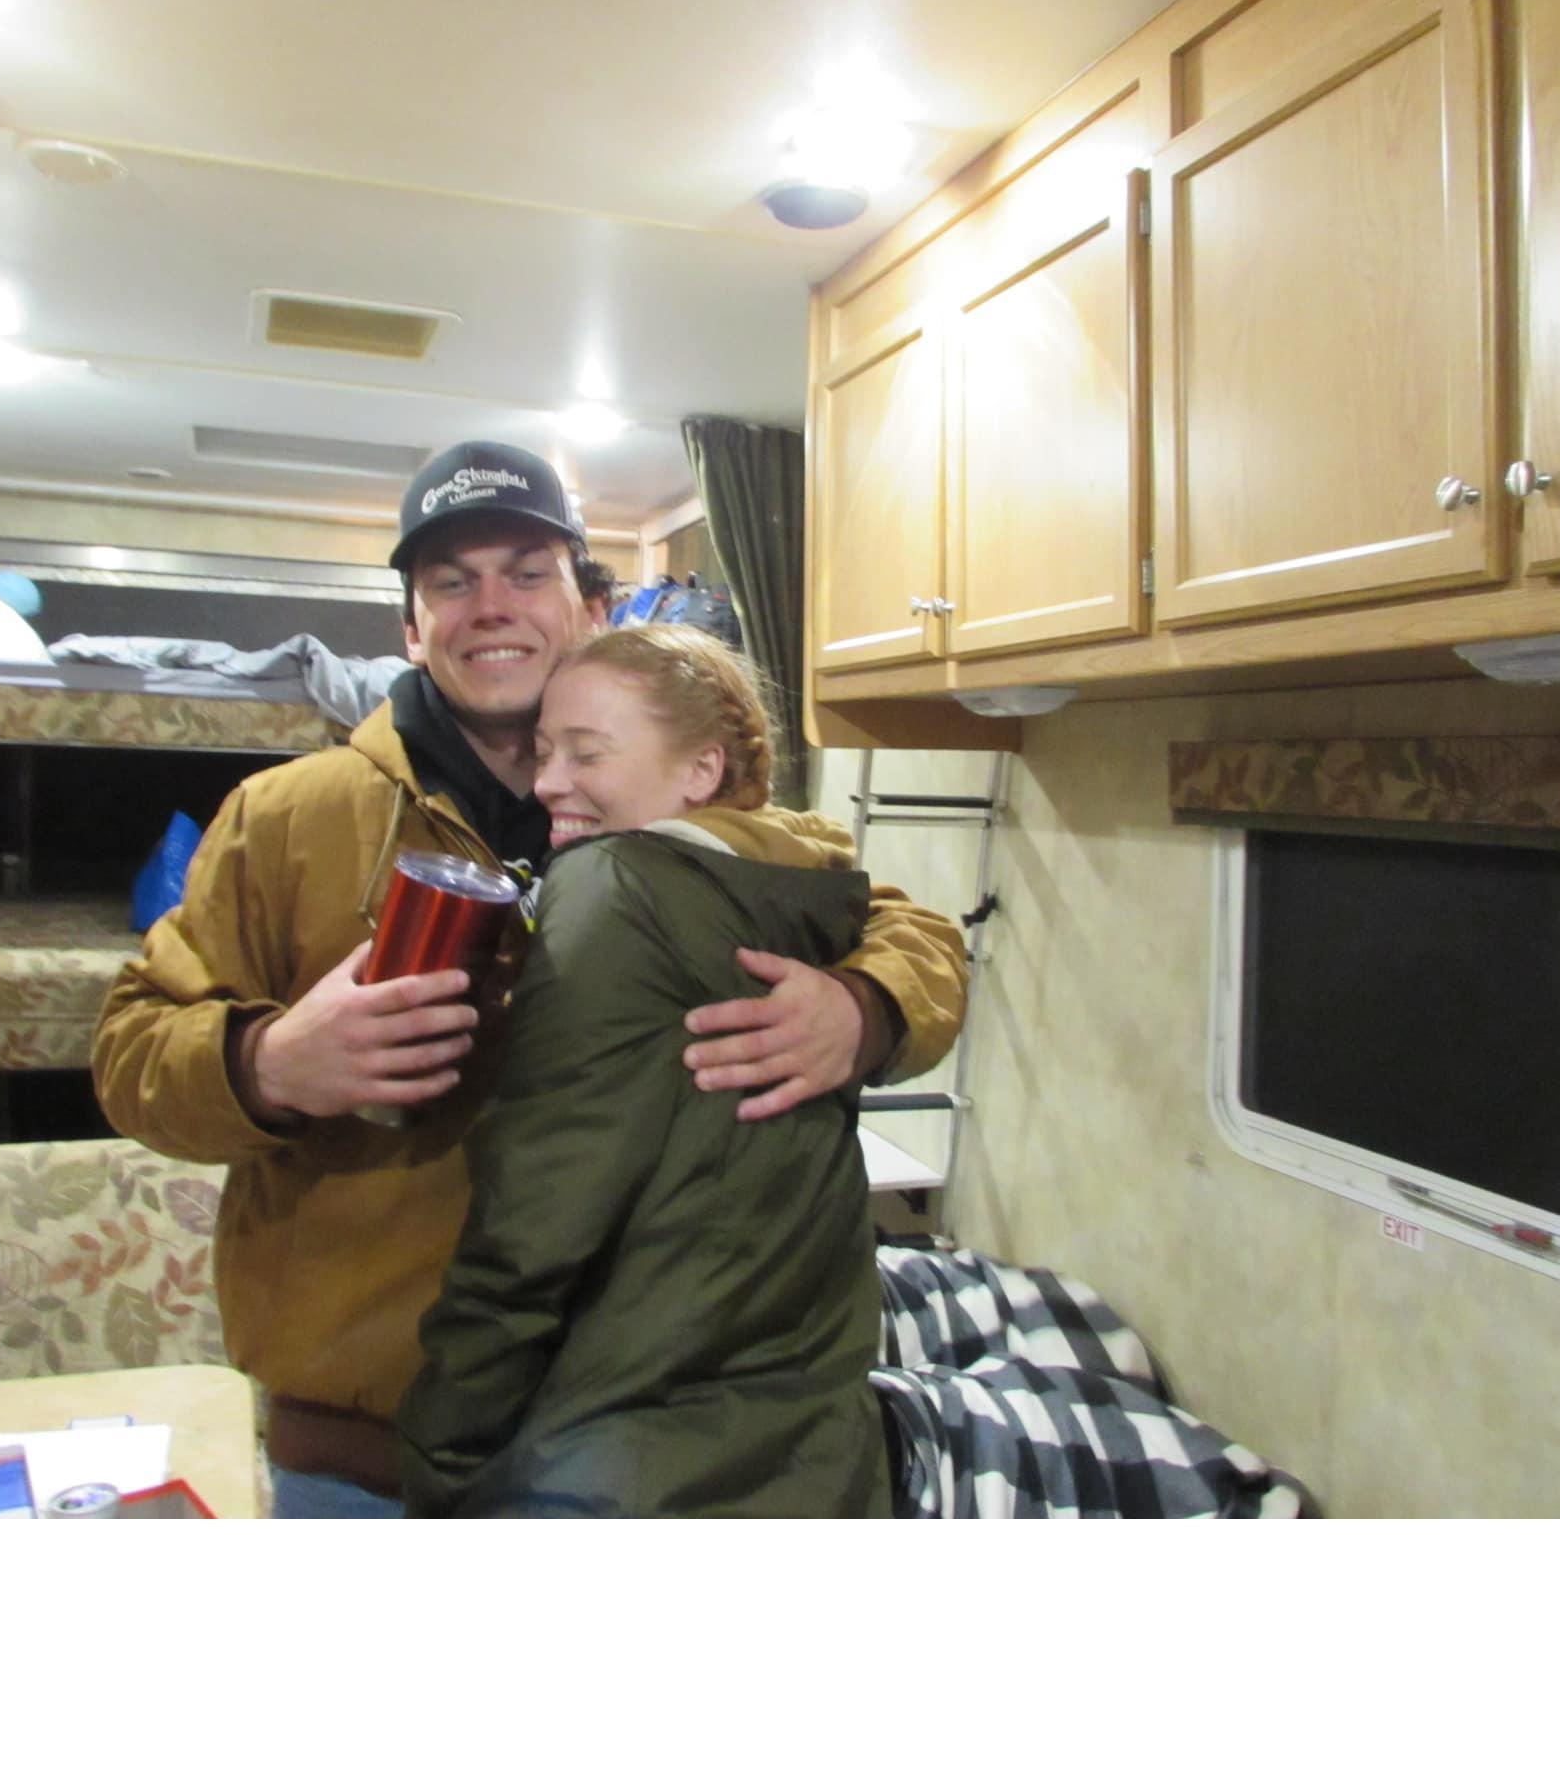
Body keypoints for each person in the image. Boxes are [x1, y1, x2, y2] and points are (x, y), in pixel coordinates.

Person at [92, 440, 967, 1518]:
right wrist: (270, 1062)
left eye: (525, 572)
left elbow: (912, 932)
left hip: (628, 1446)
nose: (490, 607)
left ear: (589, 608)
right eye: (450, 582)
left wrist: (862, 1007)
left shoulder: (688, 821)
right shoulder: (286, 818)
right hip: (368, 1451)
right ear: (411, 628)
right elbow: (130, 1051)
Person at [399, 627, 895, 1516]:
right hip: (812, 1442)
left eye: (586, 753)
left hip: (635, 1457)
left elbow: (534, 1225)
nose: (548, 782)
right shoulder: (801, 888)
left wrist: (441, 1456)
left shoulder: (611, 889)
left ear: (701, 771)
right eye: (545, 752)